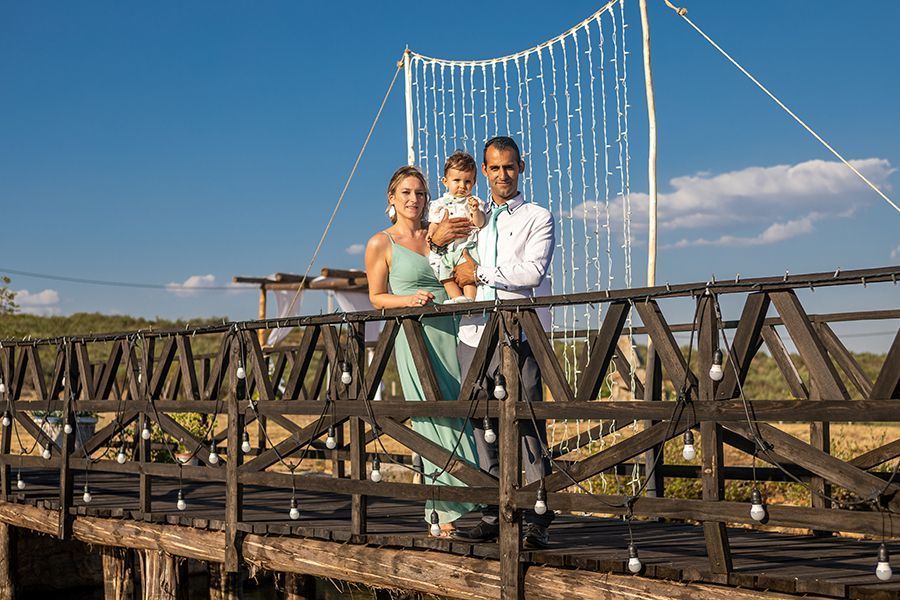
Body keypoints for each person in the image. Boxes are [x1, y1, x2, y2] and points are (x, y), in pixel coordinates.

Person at [427, 136, 555, 549]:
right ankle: (493, 509)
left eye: (510, 167)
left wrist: (479, 274)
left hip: (519, 330)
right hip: (473, 330)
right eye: (495, 168)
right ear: (485, 171)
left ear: (521, 167)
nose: (502, 174)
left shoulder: (538, 216)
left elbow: (530, 272)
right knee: (483, 419)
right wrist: (436, 243)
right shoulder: (473, 217)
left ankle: (536, 511)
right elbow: (444, 260)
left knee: (527, 419)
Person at [364, 165, 481, 536]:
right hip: (414, 336)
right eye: (406, 193)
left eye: (419, 193)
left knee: (461, 410)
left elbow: (455, 274)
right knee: (431, 417)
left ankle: (474, 496)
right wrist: (409, 300)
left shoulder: (435, 236)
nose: (413, 199)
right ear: (392, 199)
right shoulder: (381, 243)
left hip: (451, 330)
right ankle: (443, 512)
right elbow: (376, 297)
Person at [426, 151, 486, 303]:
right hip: (446, 250)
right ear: (445, 181)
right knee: (445, 276)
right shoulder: (439, 204)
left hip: (465, 247)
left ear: (474, 182)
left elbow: (480, 223)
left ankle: (470, 299)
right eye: (457, 180)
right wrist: (431, 234)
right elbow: (434, 223)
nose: (462, 186)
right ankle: (456, 298)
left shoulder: (474, 202)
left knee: (467, 276)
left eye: (467, 181)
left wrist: (475, 210)